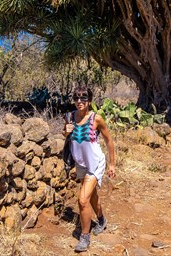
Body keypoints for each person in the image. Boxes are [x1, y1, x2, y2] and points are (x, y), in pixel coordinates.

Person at [63, 86, 116, 253]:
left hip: (95, 163)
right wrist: (65, 131)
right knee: (91, 194)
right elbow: (66, 135)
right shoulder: (70, 116)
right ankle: (101, 220)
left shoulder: (96, 118)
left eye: (83, 98)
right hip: (81, 163)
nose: (79, 101)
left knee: (82, 200)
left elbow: (109, 141)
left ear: (89, 101)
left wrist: (112, 164)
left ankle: (84, 237)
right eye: (76, 98)